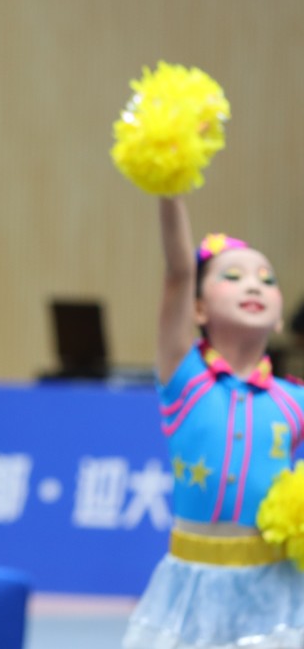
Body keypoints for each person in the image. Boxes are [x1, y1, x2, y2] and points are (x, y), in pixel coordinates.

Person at [122, 194, 304, 647]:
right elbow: (179, 272)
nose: (253, 286)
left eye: (267, 280)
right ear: (198, 308)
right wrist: (170, 186)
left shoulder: (294, 400)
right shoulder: (185, 379)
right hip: (190, 583)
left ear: (280, 318)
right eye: (233, 277)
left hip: (275, 587)